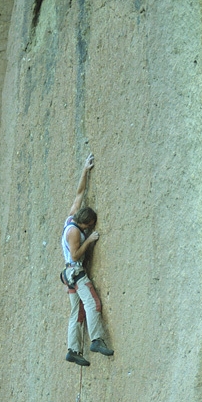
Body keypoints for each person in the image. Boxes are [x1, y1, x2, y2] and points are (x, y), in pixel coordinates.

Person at [61, 153, 114, 366]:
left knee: (77, 311)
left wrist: (85, 169)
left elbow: (79, 192)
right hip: (75, 271)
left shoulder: (73, 216)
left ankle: (73, 349)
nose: (91, 227)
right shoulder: (74, 232)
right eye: (90, 226)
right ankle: (96, 339)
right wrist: (89, 240)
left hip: (68, 274)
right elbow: (75, 255)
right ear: (85, 224)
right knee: (92, 304)